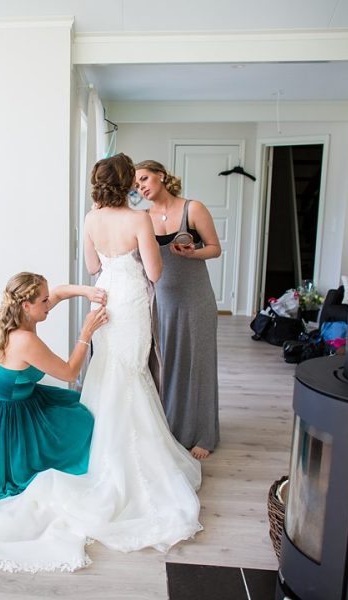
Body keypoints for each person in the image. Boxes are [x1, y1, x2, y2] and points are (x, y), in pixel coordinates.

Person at [0, 153, 202, 572]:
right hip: (130, 301)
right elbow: (155, 274)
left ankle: (98, 449)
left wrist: (98, 280)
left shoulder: (91, 218)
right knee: (131, 373)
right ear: (127, 183)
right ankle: (126, 456)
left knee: (109, 371)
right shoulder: (139, 219)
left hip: (103, 297)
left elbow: (93, 266)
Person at [0, 273, 109, 506]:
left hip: (21, 400)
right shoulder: (23, 339)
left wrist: (87, 291)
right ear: (26, 305)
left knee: (76, 404)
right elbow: (70, 373)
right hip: (6, 417)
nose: (49, 304)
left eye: (47, 299)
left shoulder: (22, 316)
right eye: (44, 301)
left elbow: (59, 293)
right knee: (81, 423)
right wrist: (86, 334)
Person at [134, 159, 221, 459]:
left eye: (144, 179)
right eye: (136, 185)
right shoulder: (142, 218)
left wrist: (192, 252)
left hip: (196, 299)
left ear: (160, 175)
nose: (141, 187)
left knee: (199, 363)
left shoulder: (192, 209)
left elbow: (215, 248)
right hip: (161, 301)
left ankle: (204, 434)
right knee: (167, 365)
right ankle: (170, 429)